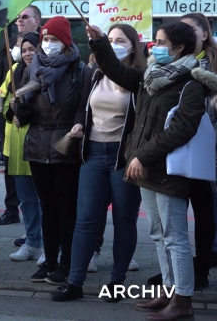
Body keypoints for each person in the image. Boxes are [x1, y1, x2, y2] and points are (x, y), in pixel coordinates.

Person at [86, 21, 217, 319]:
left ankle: (182, 301)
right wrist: (100, 44)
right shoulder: (151, 75)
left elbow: (182, 129)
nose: (153, 46)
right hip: (146, 168)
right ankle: (169, 292)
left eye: (160, 41)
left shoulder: (191, 83)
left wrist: (142, 156)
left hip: (167, 170)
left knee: (175, 236)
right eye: (154, 41)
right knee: (158, 234)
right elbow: (117, 72)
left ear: (179, 48)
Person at [50, 24, 145, 302]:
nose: (114, 43)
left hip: (123, 156)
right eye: (110, 39)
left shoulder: (140, 76)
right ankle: (75, 282)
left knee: (124, 220)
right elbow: (84, 105)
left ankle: (116, 283)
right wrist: (80, 123)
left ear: (133, 45)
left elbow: (124, 79)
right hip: (92, 152)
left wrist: (101, 43)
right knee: (86, 220)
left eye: (120, 40)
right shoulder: (93, 72)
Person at [12, 16, 92, 286]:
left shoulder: (79, 70)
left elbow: (82, 107)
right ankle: (51, 262)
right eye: (45, 39)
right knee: (47, 207)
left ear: (66, 42)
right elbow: (24, 117)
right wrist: (19, 104)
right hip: (37, 144)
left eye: (54, 40)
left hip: (65, 144)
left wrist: (78, 126)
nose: (48, 44)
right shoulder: (32, 69)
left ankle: (68, 263)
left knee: (66, 208)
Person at [0, 6, 42, 226]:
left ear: (37, 22)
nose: (19, 20)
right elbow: (0, 86)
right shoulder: (10, 58)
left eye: (24, 17)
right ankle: (26, 231)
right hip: (13, 131)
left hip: (38, 138)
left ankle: (43, 239)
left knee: (38, 193)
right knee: (18, 184)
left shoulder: (47, 66)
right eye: (24, 48)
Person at [177, 12, 217, 290]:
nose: (188, 34)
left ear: (205, 33)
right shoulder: (175, 63)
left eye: (192, 29)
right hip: (178, 147)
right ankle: (179, 273)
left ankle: (201, 270)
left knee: (205, 214)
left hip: (209, 151)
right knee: (175, 215)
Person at [0, 32, 44, 265]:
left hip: (39, 142)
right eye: (24, 49)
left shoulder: (49, 73)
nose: (27, 53)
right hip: (16, 142)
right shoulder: (15, 72)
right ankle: (32, 242)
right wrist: (13, 110)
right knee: (26, 199)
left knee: (43, 199)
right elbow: (4, 107)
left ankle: (47, 243)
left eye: (32, 49)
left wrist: (26, 115)